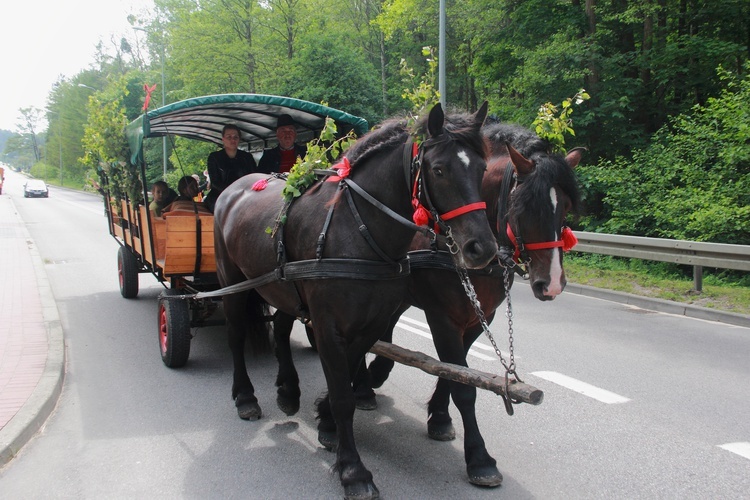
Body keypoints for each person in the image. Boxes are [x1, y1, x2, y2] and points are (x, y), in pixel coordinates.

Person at [204, 124, 257, 212]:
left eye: (235, 137)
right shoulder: (214, 157)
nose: (232, 140)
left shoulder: (247, 157)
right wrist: (233, 193)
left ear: (239, 139)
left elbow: (253, 177)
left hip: (244, 196)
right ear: (223, 139)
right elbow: (215, 183)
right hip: (220, 196)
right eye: (229, 137)